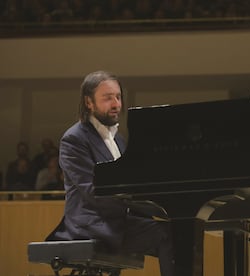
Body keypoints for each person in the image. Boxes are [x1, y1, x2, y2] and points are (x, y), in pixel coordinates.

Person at [46, 71, 175, 275]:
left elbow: (130, 184)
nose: (116, 103)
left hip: (117, 220)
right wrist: (138, 204)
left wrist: (160, 205)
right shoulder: (74, 139)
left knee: (175, 233)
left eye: (118, 96)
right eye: (107, 98)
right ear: (89, 102)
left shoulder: (119, 139)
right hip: (92, 223)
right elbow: (93, 191)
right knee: (168, 235)